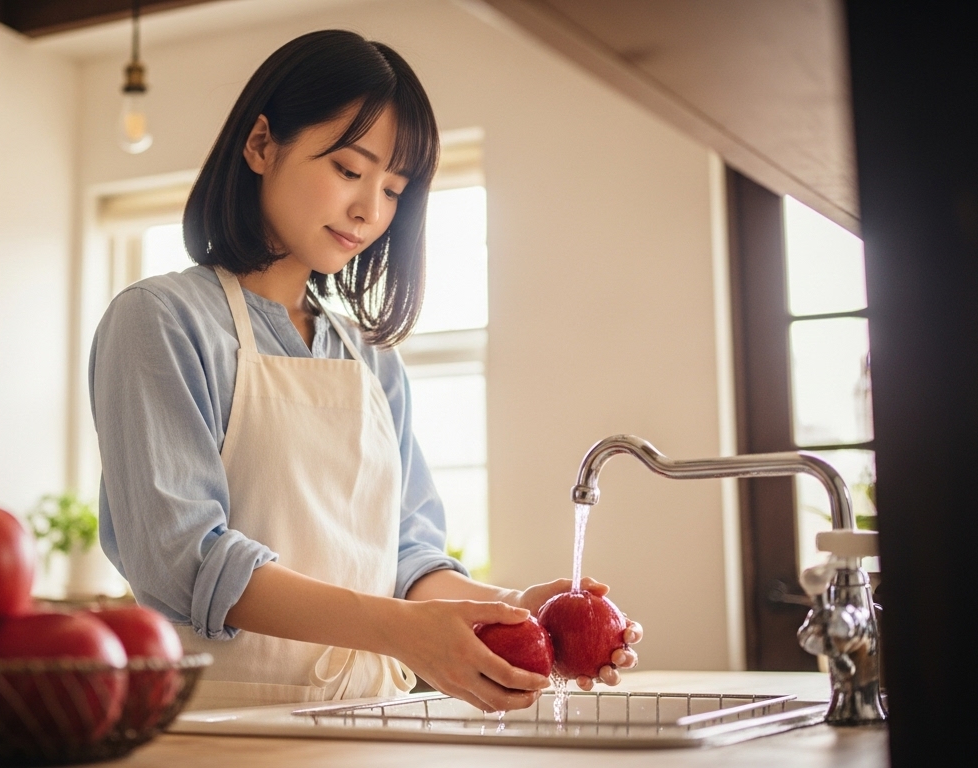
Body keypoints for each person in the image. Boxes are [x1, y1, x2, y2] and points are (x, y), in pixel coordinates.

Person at [90, 29, 642, 712]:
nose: (369, 210)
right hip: (223, 725)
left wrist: (511, 609)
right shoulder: (160, 321)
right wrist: (402, 632)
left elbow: (407, 556)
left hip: (370, 718)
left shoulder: (369, 356)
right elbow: (185, 560)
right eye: (350, 171)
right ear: (261, 144)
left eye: (393, 189)